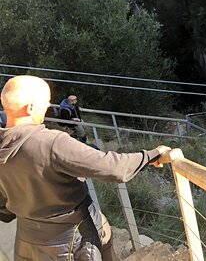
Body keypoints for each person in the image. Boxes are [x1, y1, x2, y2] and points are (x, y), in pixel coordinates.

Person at [0, 75, 171, 261]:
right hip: (71, 241)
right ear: (30, 107)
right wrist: (152, 155)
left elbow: (4, 207)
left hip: (27, 240)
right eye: (45, 103)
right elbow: (113, 167)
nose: (48, 107)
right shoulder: (51, 143)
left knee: (104, 228)